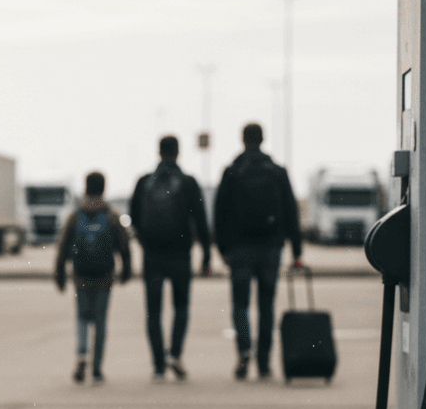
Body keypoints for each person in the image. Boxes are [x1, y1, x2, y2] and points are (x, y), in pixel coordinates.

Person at [213, 122, 303, 380]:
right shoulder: (276, 171)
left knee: (240, 304)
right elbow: (290, 210)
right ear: (262, 139)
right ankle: (264, 362)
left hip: (239, 249)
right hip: (270, 248)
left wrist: (222, 248)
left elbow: (220, 212)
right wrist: (296, 249)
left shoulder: (232, 171)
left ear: (243, 140)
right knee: (266, 305)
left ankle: (244, 351)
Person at [129, 135, 211, 380]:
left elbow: (134, 218)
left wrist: (145, 243)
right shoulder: (188, 182)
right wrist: (206, 253)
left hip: (153, 255)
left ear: (158, 151)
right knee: (181, 306)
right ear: (178, 152)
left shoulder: (143, 182)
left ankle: (158, 363)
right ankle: (175, 353)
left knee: (153, 311)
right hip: (180, 254)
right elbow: (200, 219)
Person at [54, 171, 132, 384]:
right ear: (103, 188)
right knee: (100, 320)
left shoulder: (75, 214)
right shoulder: (111, 214)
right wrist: (127, 269)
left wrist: (59, 273)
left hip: (80, 275)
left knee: (81, 317)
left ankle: (81, 356)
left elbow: (62, 246)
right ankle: (97, 368)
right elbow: (124, 245)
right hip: (104, 275)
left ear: (85, 187)